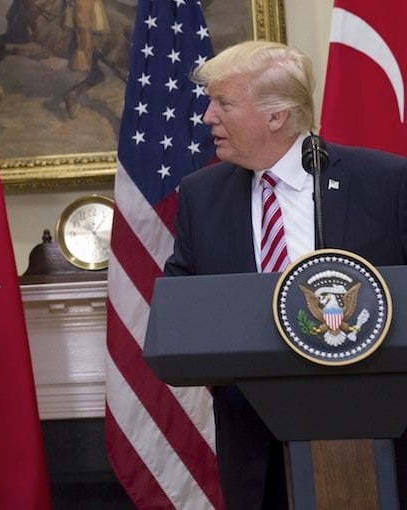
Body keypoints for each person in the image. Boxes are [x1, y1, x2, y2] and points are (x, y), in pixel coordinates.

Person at [163, 40, 407, 508]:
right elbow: (180, 312)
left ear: (276, 116)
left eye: (224, 103)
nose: (208, 116)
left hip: (375, 436)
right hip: (255, 442)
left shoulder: (384, 182)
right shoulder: (200, 194)